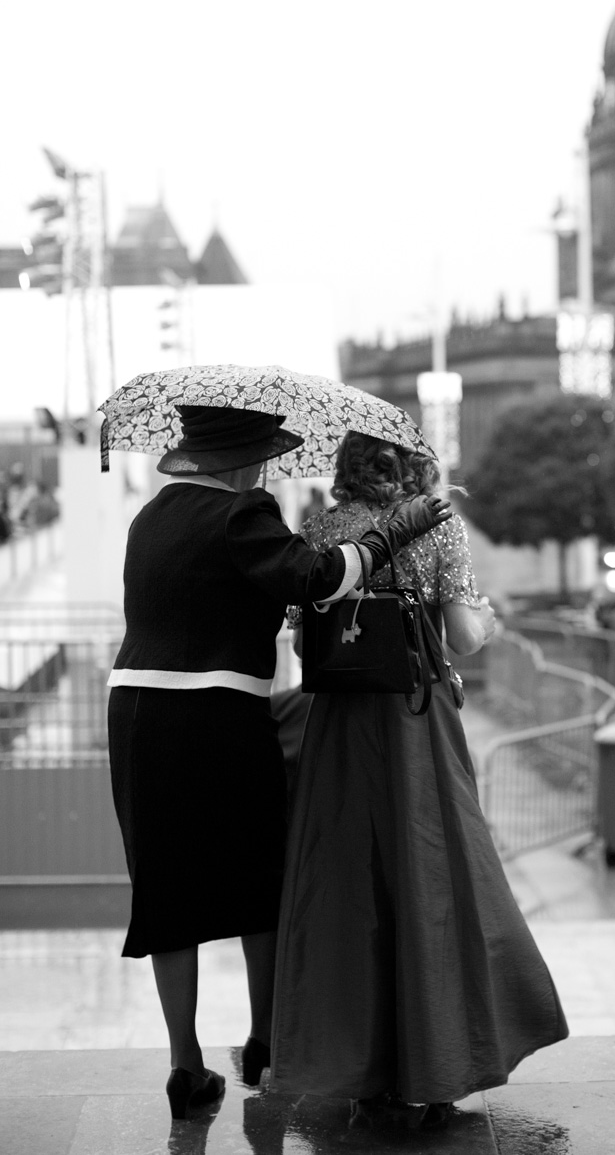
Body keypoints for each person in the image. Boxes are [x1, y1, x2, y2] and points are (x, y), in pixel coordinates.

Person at [106, 407, 450, 1121]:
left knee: (166, 887)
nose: (266, 467)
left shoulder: (151, 516)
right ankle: (263, 1042)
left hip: (136, 712)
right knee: (255, 877)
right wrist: (393, 532)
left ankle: (185, 1066)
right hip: (218, 714)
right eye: (261, 455)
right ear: (239, 460)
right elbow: (317, 579)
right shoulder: (243, 512)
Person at [270, 432, 569, 1129]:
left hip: (339, 725)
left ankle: (362, 1067)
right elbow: (464, 635)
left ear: (345, 466)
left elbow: (297, 625)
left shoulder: (322, 528)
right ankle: (437, 1065)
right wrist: (484, 618)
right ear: (411, 464)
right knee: (432, 876)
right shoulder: (436, 523)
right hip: (413, 723)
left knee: (349, 883)